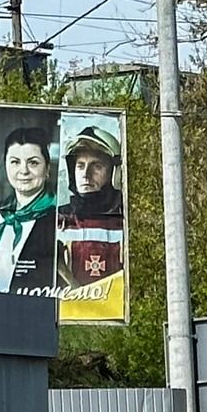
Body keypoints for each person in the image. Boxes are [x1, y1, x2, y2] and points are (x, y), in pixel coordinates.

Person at [0, 125, 58, 294]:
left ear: (47, 168)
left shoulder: (58, 220)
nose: (23, 171)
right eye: (15, 162)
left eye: (33, 163)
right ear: (5, 166)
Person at [57, 123, 124, 291]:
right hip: (67, 314)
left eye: (97, 166)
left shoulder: (127, 219)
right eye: (80, 166)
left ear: (114, 173)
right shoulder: (58, 220)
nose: (85, 175)